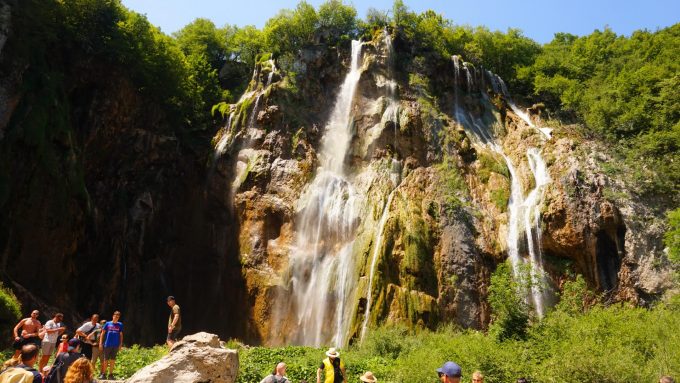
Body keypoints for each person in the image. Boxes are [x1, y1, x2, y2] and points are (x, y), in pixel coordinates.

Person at [98, 311, 123, 380]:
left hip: (115, 345)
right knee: (105, 360)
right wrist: (100, 343)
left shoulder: (120, 324)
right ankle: (103, 374)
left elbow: (121, 335)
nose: (116, 317)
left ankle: (111, 374)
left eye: (118, 317)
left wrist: (120, 344)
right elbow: (102, 334)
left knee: (113, 360)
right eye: (115, 316)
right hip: (107, 344)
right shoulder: (107, 324)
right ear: (113, 316)